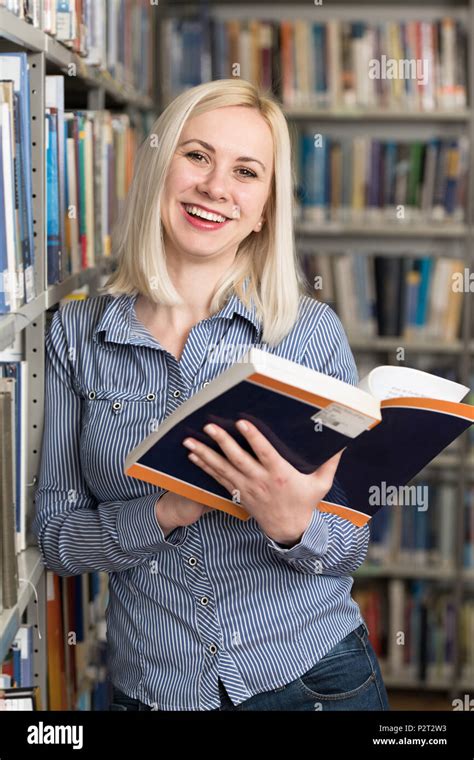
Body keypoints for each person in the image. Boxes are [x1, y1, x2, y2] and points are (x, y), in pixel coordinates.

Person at [33, 78, 389, 712]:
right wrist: (165, 512)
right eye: (197, 156)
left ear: (264, 209)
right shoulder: (75, 335)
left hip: (312, 679)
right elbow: (57, 538)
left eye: (246, 172)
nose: (215, 187)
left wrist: (292, 524)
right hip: (156, 689)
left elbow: (349, 544)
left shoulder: (308, 334)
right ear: (158, 166)